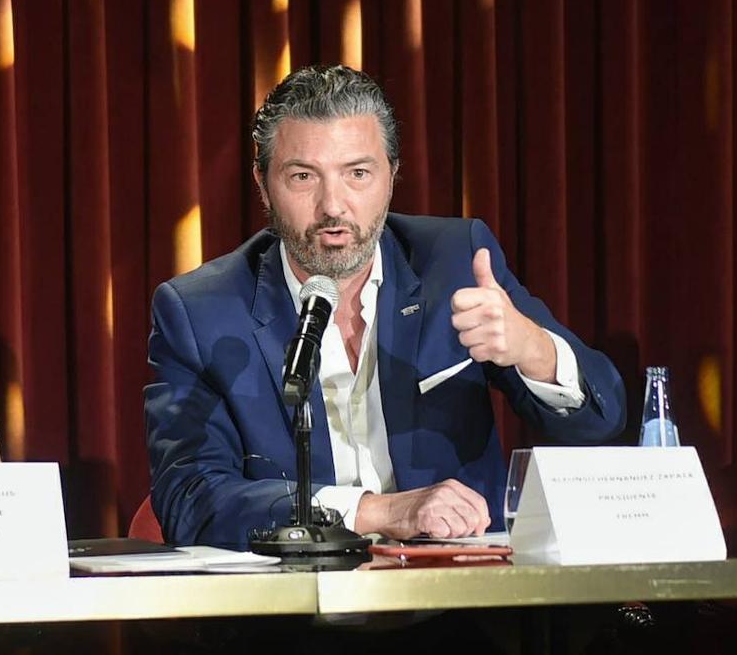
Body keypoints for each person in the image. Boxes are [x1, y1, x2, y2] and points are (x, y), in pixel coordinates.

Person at [145, 64, 626, 549]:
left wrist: (533, 348)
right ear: (263, 184)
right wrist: (380, 511)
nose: (333, 205)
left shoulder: (454, 262)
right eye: (303, 176)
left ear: (392, 175)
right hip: (293, 610)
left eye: (358, 173)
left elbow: (601, 421)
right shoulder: (201, 312)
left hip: (457, 601)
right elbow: (190, 500)